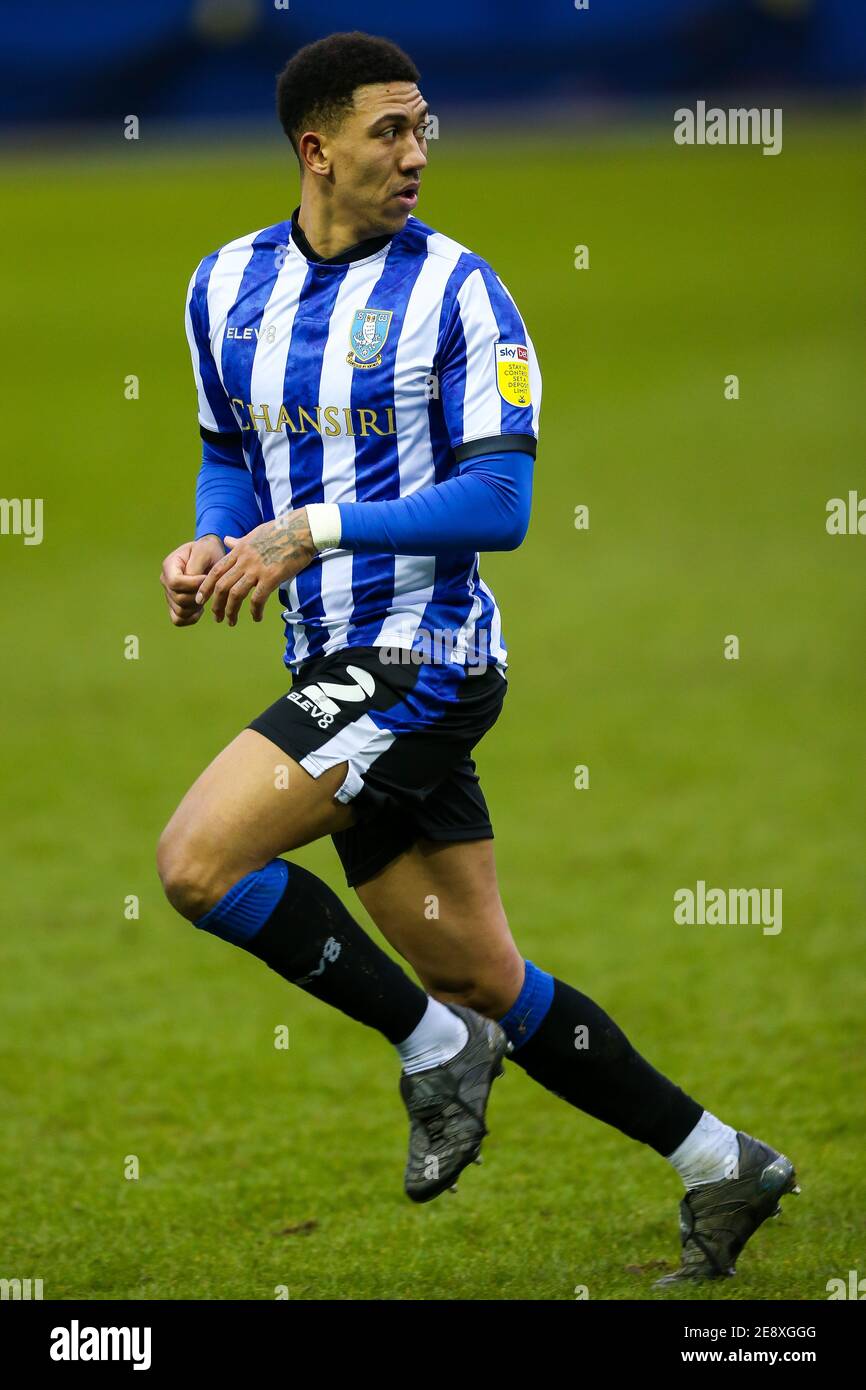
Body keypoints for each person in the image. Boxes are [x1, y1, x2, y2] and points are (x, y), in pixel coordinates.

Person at [157, 30, 798, 1287]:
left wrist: (314, 529)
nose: (415, 154)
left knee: (194, 863)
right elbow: (228, 446)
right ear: (315, 148)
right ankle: (721, 1161)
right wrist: (213, 540)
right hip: (328, 663)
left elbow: (499, 501)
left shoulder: (460, 291)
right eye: (389, 131)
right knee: (478, 969)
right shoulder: (221, 287)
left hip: (425, 660)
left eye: (423, 127)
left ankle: (431, 1048)